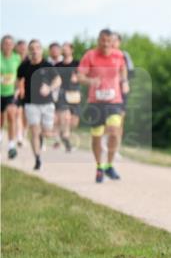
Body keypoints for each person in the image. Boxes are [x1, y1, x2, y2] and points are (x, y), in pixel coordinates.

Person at [77, 29, 129, 182]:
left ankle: (109, 165)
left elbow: (123, 69)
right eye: (103, 40)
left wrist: (124, 81)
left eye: (108, 41)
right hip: (95, 102)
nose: (106, 44)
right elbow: (80, 76)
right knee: (97, 136)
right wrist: (91, 81)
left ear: (112, 42)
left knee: (114, 132)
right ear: (98, 40)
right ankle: (99, 167)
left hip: (114, 101)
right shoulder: (90, 55)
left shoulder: (118, 55)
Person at [16, 39, 61, 170]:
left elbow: (58, 80)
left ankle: (48, 136)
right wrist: (20, 89)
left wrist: (49, 88)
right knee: (34, 130)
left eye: (37, 48)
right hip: (30, 103)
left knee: (46, 132)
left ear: (41, 50)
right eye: (32, 49)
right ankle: (37, 159)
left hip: (47, 104)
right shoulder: (24, 66)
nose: (34, 51)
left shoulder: (47, 65)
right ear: (29, 51)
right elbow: (18, 79)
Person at [55, 42, 82, 151]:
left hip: (75, 94)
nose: (64, 50)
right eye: (63, 48)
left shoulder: (77, 63)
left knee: (74, 122)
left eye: (66, 48)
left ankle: (64, 133)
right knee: (65, 117)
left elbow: (84, 75)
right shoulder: (58, 65)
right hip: (62, 93)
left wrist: (78, 77)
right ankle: (65, 137)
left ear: (72, 50)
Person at [1, 35, 21, 159]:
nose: (8, 46)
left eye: (10, 44)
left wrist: (19, 89)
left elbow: (21, 75)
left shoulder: (17, 58)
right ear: (2, 45)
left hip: (11, 92)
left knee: (11, 115)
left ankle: (11, 146)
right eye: (5, 43)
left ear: (13, 46)